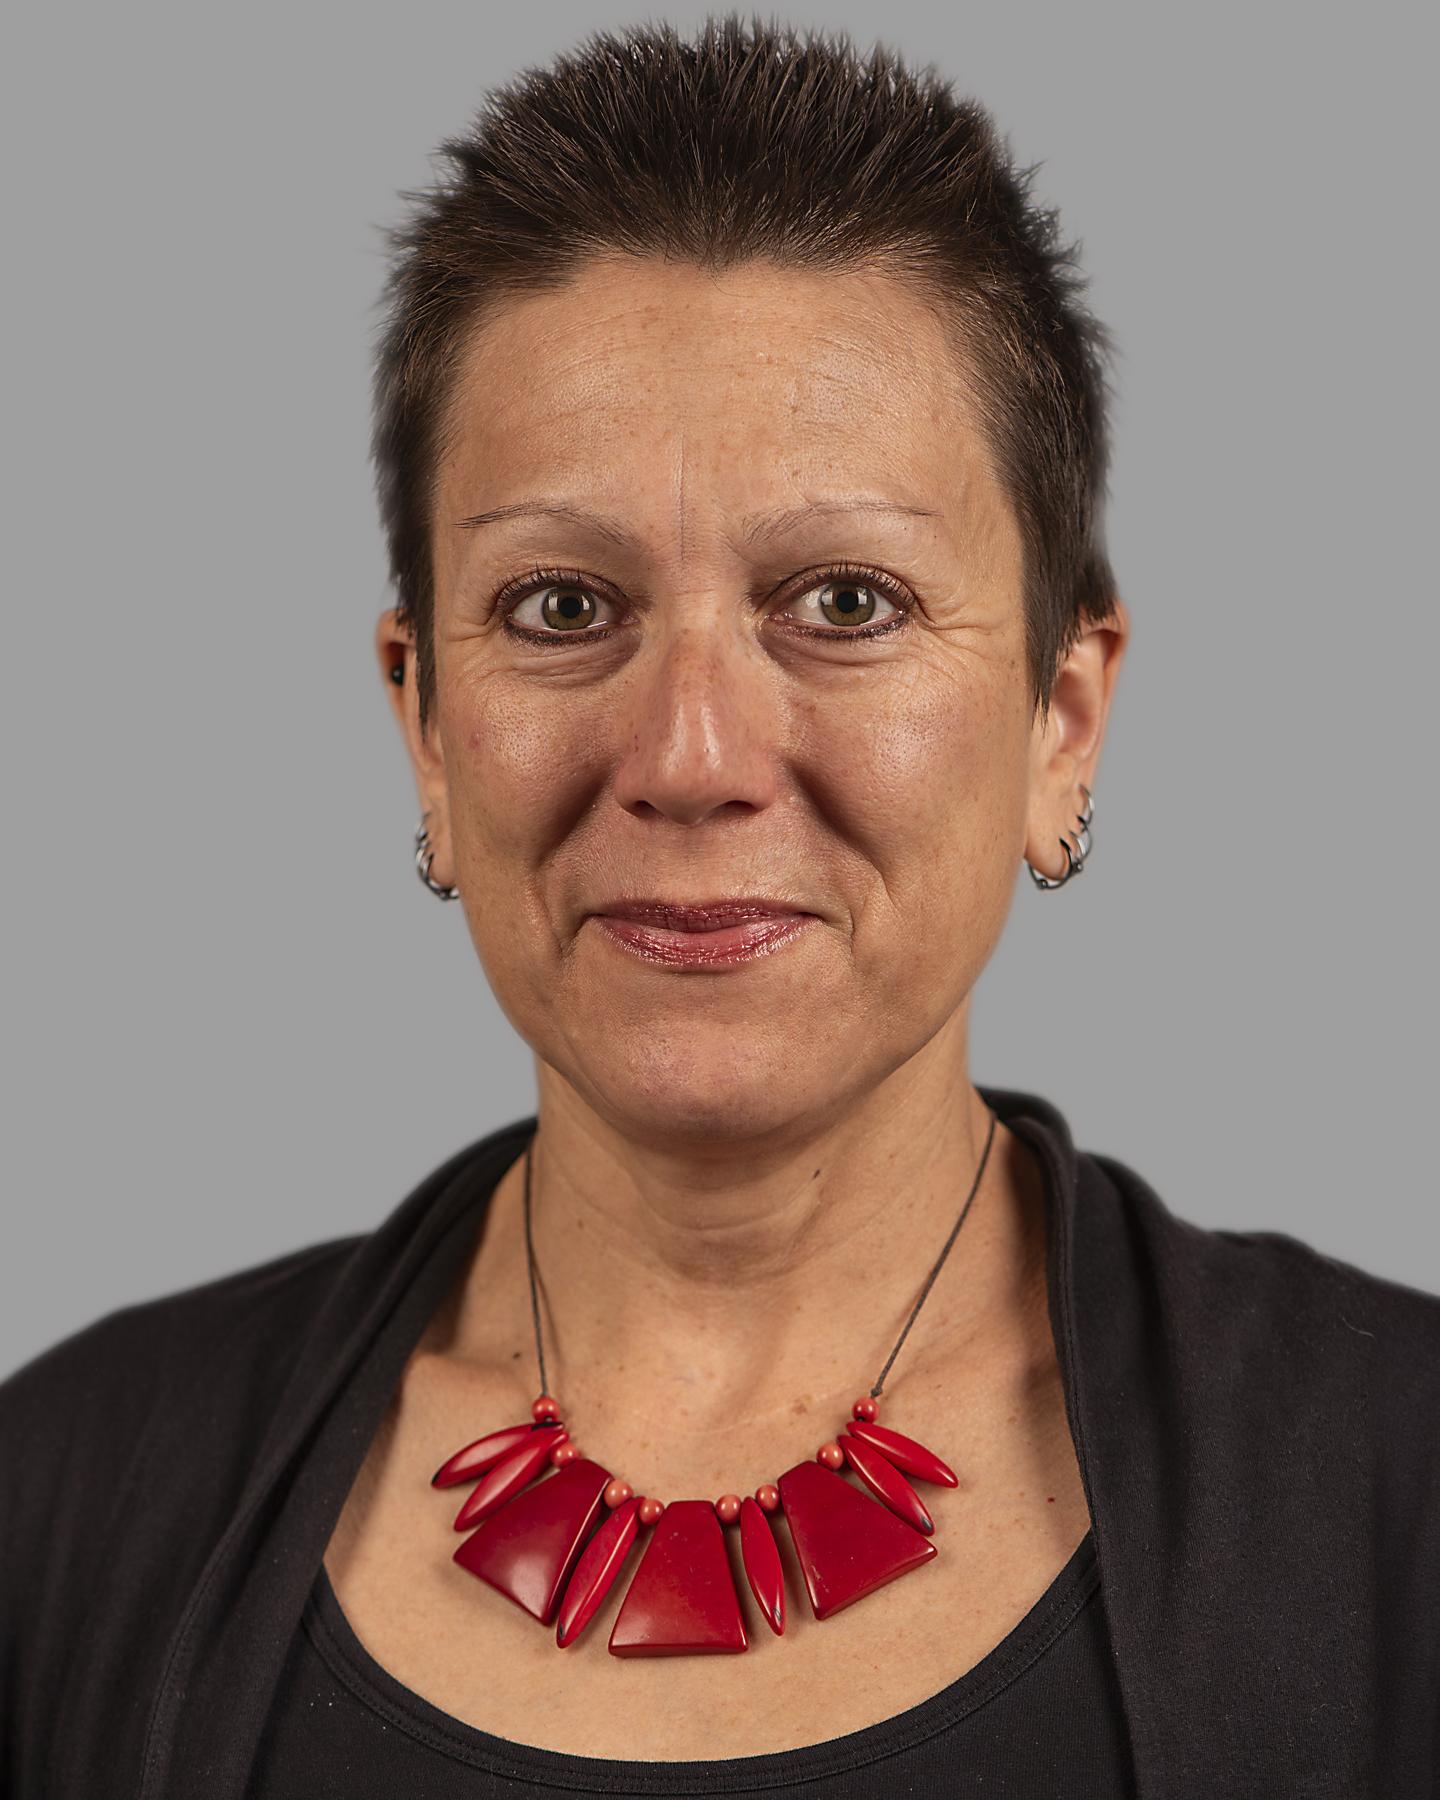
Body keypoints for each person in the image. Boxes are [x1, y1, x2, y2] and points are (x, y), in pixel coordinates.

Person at [3, 15, 1436, 1800]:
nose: (690, 757)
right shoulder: (53, 1497)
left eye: (844, 601)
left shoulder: (1404, 1487)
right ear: (423, 725)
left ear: (1063, 720)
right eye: (556, 606)